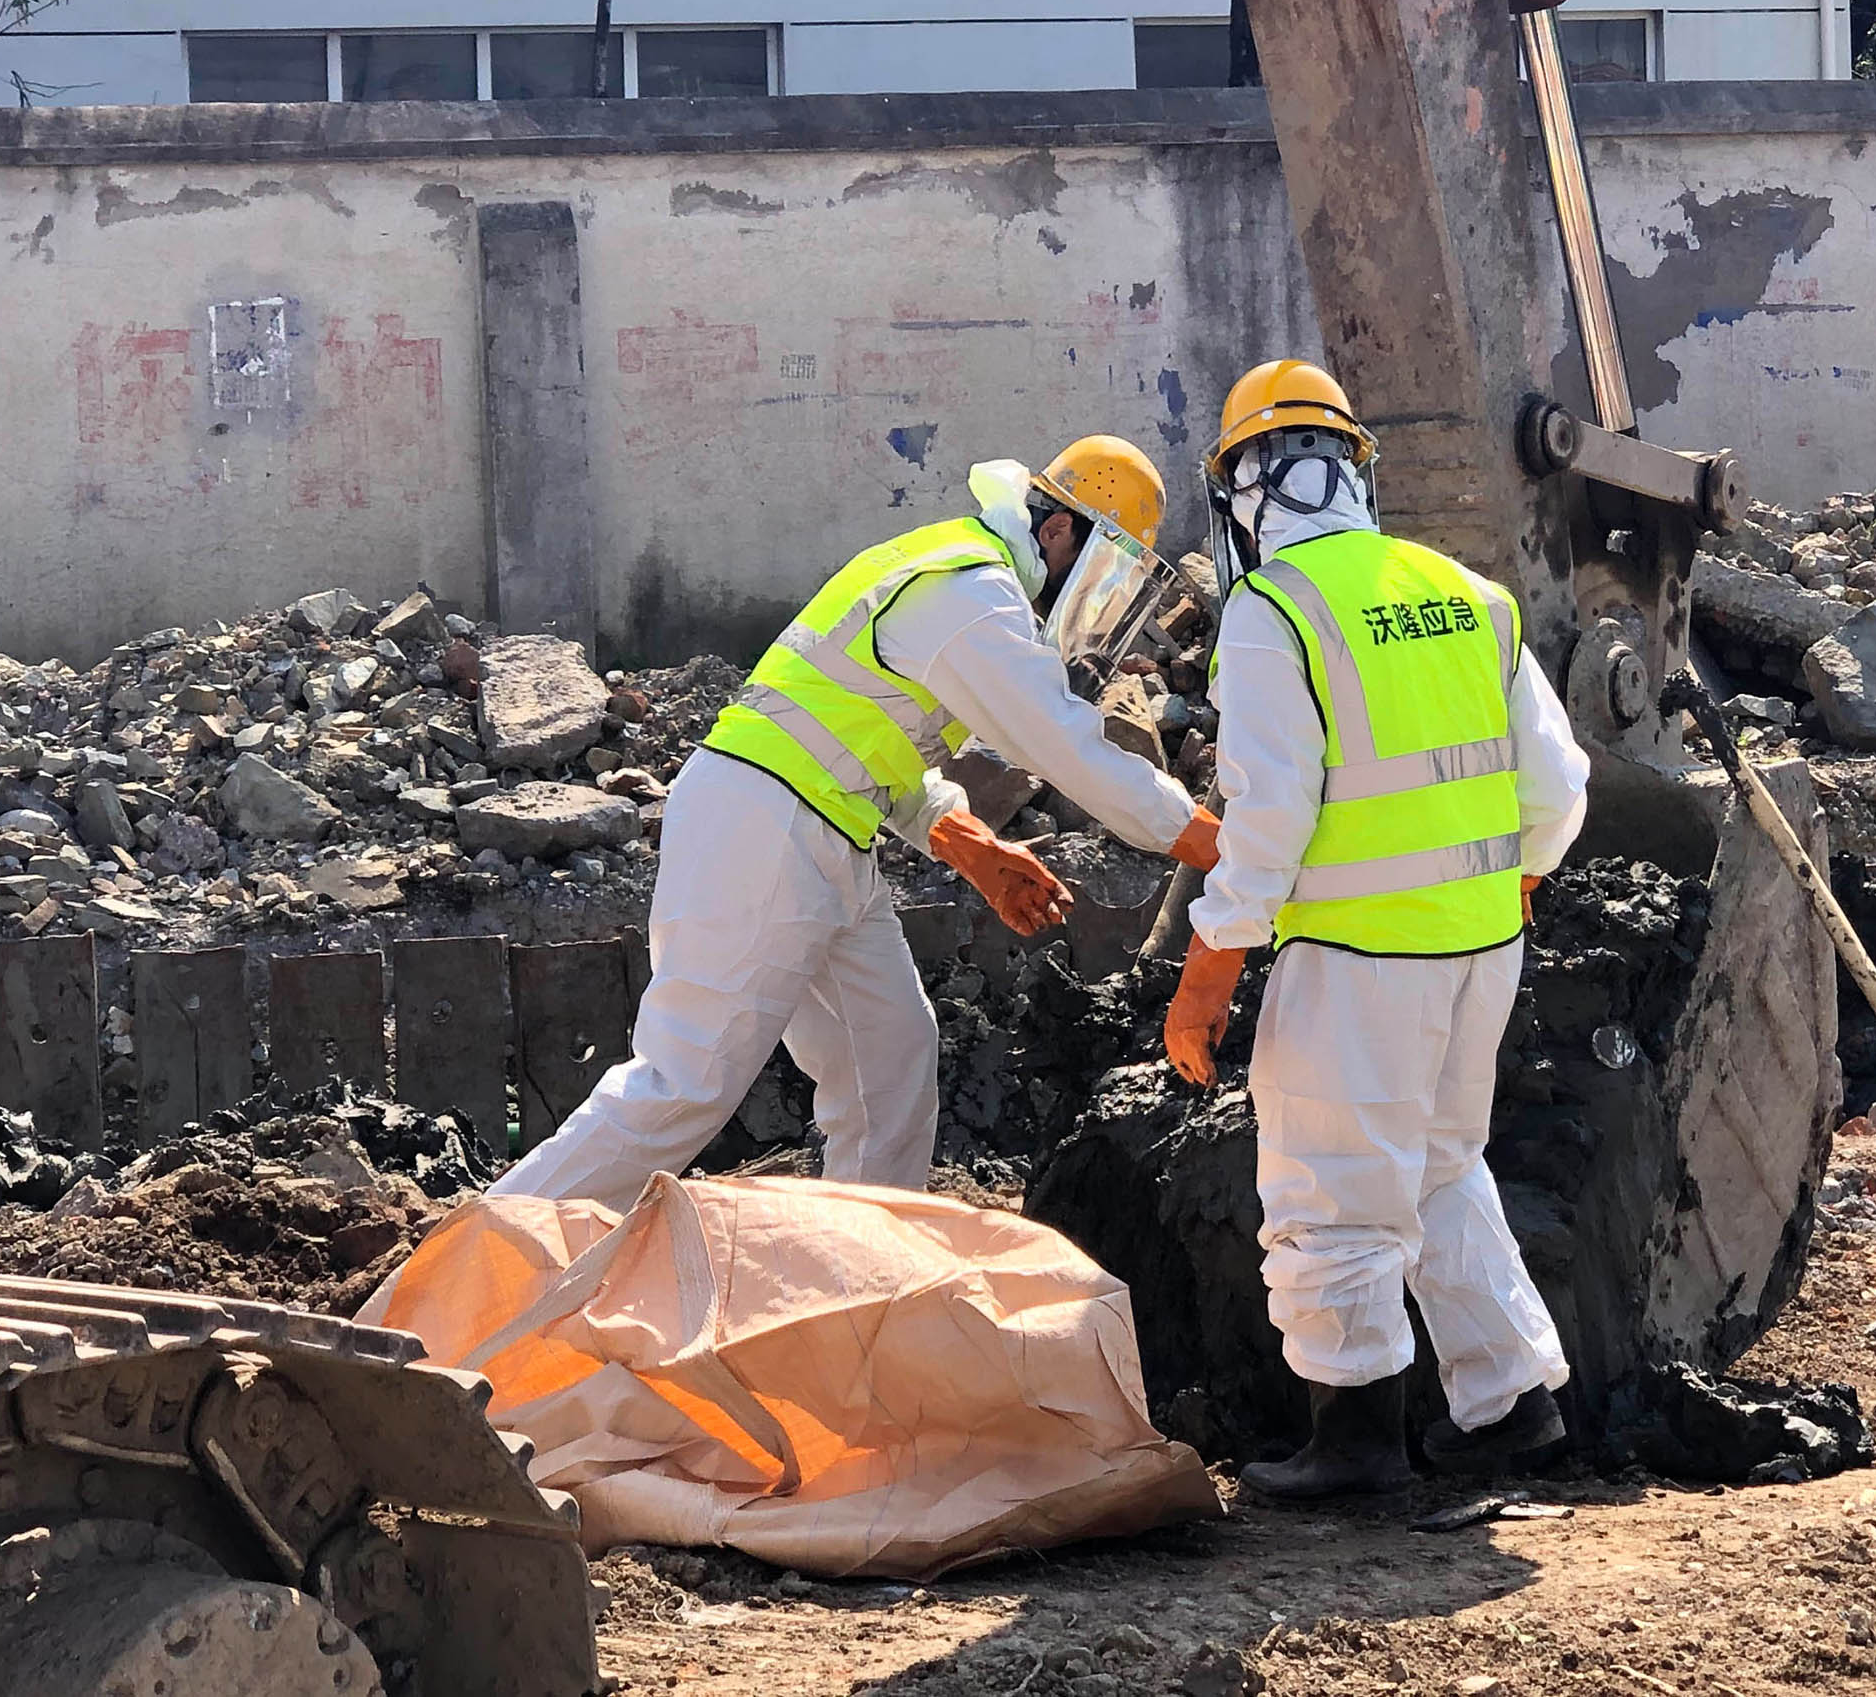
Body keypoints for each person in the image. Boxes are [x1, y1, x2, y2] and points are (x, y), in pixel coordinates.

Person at [498, 438, 1221, 1206]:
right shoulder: (975, 593)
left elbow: (866, 742)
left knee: (889, 1061)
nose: (1097, 605)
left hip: (814, 826)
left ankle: (860, 1268)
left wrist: (966, 840)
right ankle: (480, 1257)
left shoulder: (953, 567)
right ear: (1056, 531)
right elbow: (1064, 744)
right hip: (767, 829)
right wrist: (1216, 843)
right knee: (683, 1084)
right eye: (1104, 574)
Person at [1163, 361, 1590, 1496]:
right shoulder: (1468, 592)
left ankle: (1353, 1440)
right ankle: (1513, 1404)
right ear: (1355, 465)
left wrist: (1207, 976)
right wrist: (1513, 879)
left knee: (1329, 1189)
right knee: (1442, 1168)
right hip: (1480, 947)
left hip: (1355, 957)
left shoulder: (1273, 610)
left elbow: (1267, 820)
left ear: (1241, 484)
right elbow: (1557, 790)